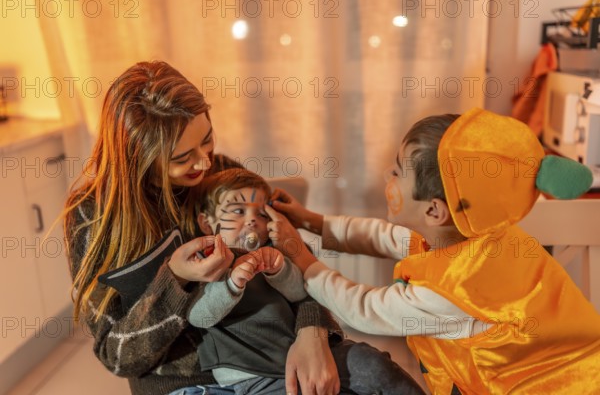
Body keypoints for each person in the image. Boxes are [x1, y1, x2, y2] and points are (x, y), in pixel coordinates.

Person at [63, 60, 348, 395]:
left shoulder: (221, 174)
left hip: (269, 358)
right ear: (136, 156)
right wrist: (175, 280)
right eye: (182, 158)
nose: (205, 162)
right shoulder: (92, 215)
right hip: (185, 384)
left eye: (208, 140)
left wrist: (312, 329)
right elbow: (118, 356)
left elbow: (297, 255)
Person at [269, 108, 600, 394]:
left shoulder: (455, 293)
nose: (388, 175)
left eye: (398, 172)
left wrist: (300, 256)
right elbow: (380, 236)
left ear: (433, 212)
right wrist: (311, 221)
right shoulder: (475, 233)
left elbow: (363, 308)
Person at [187, 168, 426, 394]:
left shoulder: (274, 251)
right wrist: (231, 285)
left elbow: (300, 292)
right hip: (253, 375)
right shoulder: (206, 261)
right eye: (238, 211)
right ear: (207, 223)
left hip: (306, 353)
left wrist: (279, 270)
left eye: (260, 213)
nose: (252, 221)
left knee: (373, 364)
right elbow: (199, 317)